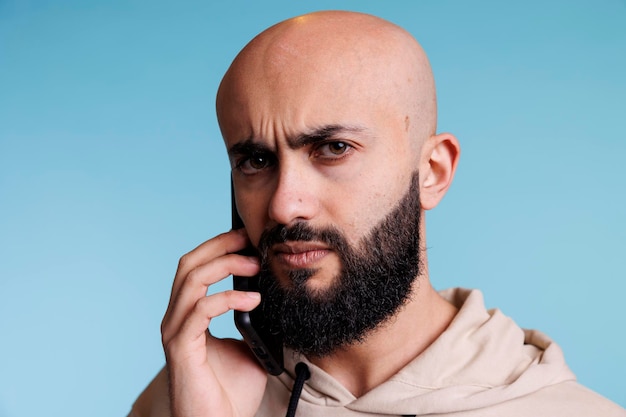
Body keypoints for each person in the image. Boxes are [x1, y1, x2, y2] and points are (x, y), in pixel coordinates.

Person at [129, 10, 625, 417]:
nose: (284, 204)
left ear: (431, 170)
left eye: (334, 148)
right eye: (256, 161)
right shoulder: (189, 394)